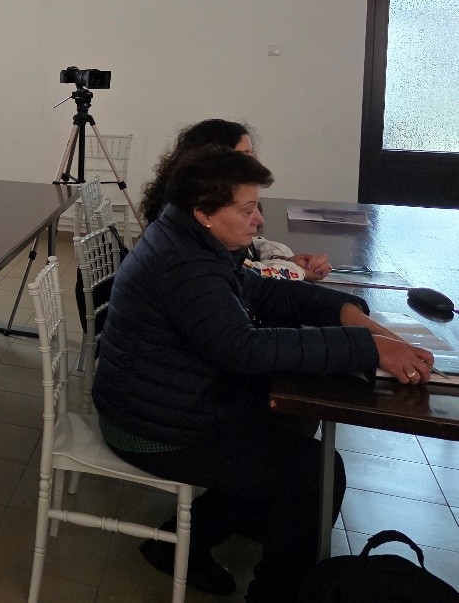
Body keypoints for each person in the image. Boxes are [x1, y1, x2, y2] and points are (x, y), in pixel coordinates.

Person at [92, 146, 432, 602]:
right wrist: (366, 348)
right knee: (314, 471)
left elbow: (259, 292)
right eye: (247, 209)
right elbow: (244, 349)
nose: (259, 220)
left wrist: (345, 312)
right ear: (204, 213)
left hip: (169, 402)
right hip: (150, 427)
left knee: (293, 424)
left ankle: (184, 543)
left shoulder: (191, 237)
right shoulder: (183, 264)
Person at [140, 119, 332, 280]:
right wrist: (296, 271)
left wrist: (282, 260)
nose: (253, 163)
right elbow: (237, 273)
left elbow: (248, 249)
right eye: (243, 156)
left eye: (251, 155)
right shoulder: (192, 209)